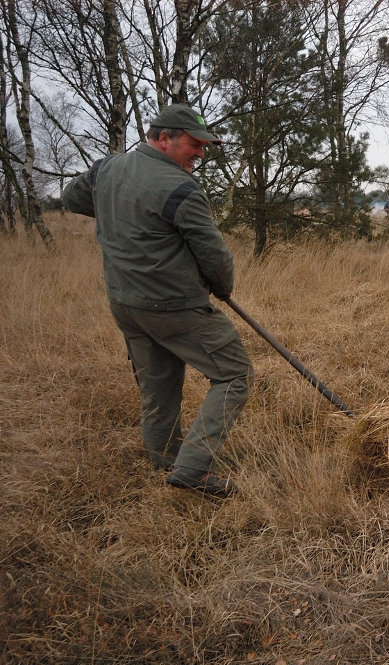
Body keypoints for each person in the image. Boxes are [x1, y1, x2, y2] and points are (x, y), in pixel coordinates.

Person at [63, 103, 253, 498]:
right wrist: (222, 287)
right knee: (235, 374)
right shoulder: (182, 189)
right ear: (162, 138)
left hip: (126, 305)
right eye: (194, 144)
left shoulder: (106, 170)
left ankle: (164, 463)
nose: (200, 153)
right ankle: (193, 468)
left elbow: (71, 197)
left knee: (158, 387)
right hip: (175, 307)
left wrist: (118, 209)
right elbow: (215, 255)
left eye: (204, 146)